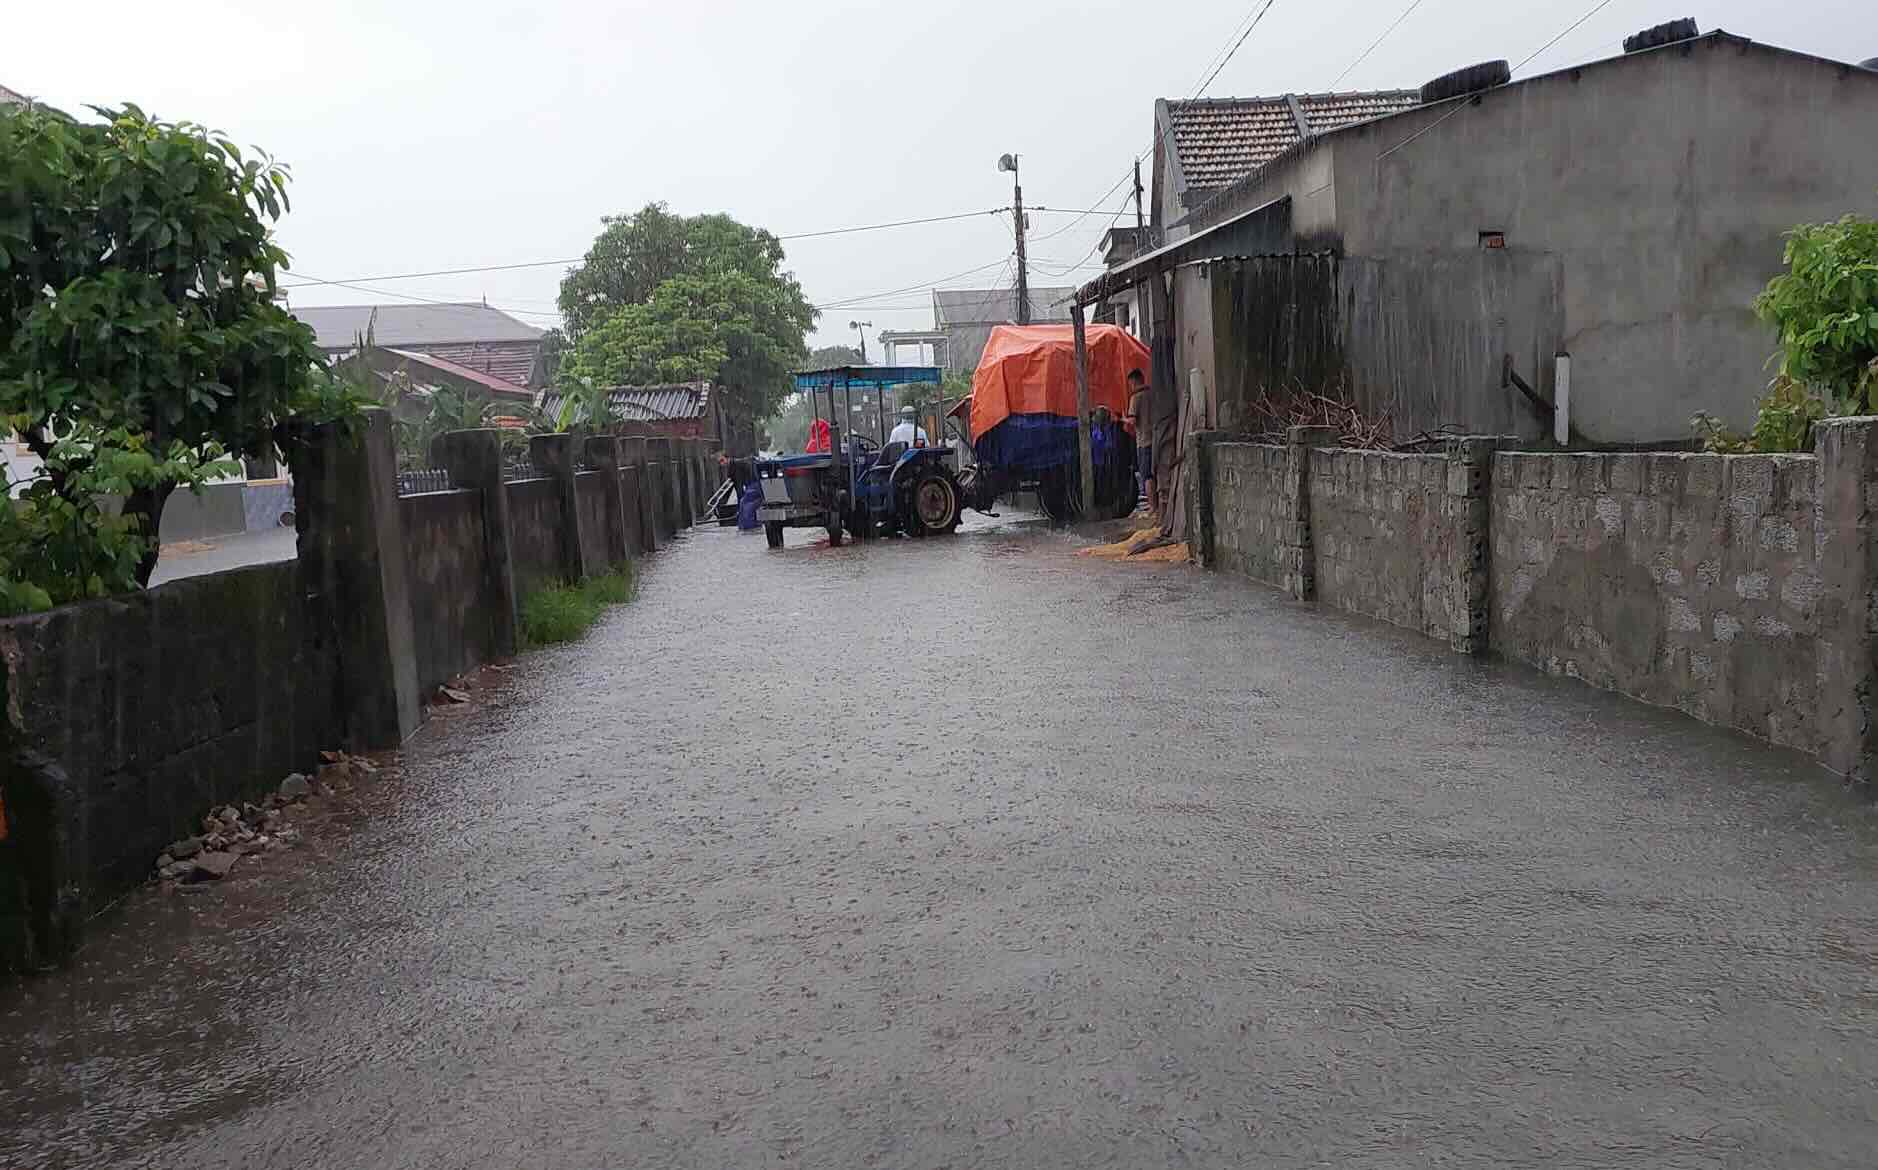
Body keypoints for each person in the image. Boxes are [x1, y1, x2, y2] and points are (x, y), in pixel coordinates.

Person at [1125, 368, 1154, 514]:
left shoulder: (1135, 398)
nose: (1130, 387)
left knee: (1146, 475)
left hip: (1143, 441)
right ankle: (1157, 506)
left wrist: (1123, 419)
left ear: (1134, 382)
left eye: (1130, 384)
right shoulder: (1152, 394)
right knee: (1155, 474)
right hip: (1156, 438)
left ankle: (1152, 508)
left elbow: (1132, 421)